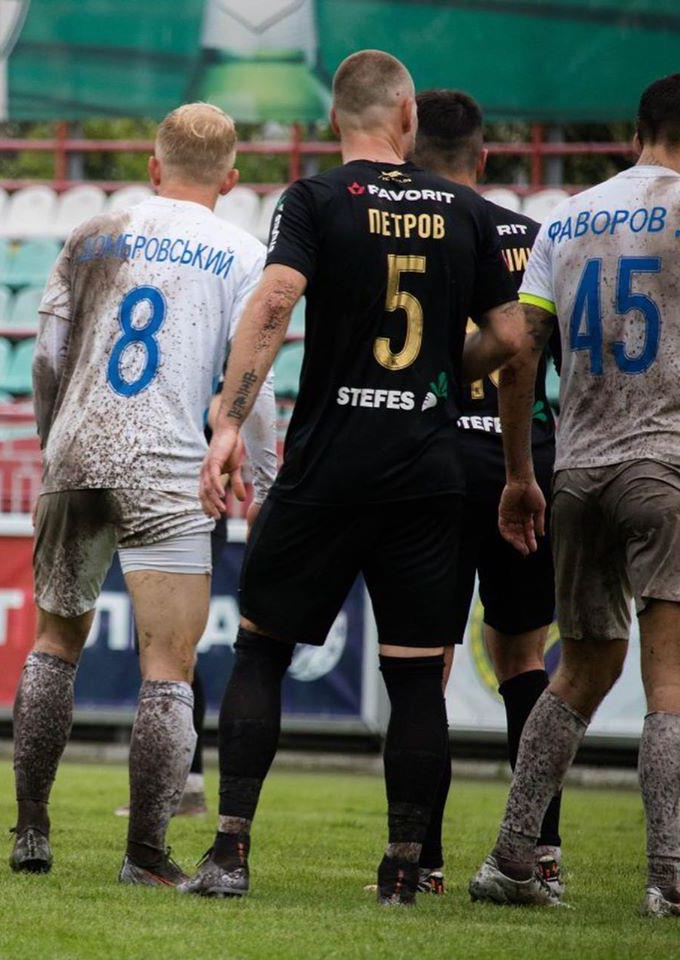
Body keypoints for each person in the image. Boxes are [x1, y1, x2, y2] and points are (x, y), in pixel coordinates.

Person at [181, 50, 525, 905]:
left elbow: (273, 300)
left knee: (262, 648)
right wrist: (443, 370)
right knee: (414, 675)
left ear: (336, 118)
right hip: (427, 469)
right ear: (407, 115)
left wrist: (228, 423)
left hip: (330, 462)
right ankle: (405, 869)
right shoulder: (464, 209)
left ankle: (229, 853)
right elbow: (512, 337)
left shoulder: (315, 198)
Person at [10, 102, 276, 886]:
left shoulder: (94, 232)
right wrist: (263, 473)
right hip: (166, 465)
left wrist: (53, 441)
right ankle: (145, 855)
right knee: (168, 667)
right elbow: (251, 381)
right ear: (231, 178)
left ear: (154, 167)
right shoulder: (243, 252)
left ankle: (32, 829)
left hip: (77, 451)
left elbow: (46, 357)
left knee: (54, 641)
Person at [469, 73, 680, 916]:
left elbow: (519, 352)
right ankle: (671, 876)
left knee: (581, 670)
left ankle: (512, 857)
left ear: (636, 132)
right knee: (671, 680)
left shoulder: (566, 217)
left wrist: (521, 473)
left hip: (579, 472)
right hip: (666, 465)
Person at [410, 89, 564, 896]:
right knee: (525, 658)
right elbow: (547, 364)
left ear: (410, 152)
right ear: (486, 155)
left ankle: (421, 861)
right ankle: (541, 854)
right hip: (525, 465)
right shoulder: (535, 238)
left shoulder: (408, 231)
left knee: (426, 661)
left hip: (434, 463)